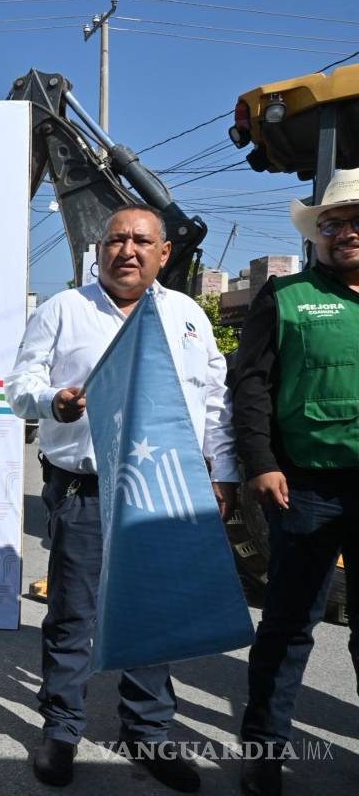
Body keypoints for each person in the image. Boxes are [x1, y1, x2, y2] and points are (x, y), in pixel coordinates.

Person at [5, 204, 238, 793]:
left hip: (161, 489)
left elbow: (214, 400)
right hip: (84, 489)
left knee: (151, 612)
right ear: (98, 250)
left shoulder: (185, 315)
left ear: (163, 254)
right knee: (72, 616)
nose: (126, 250)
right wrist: (52, 401)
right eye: (115, 240)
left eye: (141, 241)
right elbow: (20, 385)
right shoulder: (65, 309)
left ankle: (150, 732)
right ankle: (61, 729)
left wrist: (224, 473)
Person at [232, 168, 359, 796]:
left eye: (358, 222)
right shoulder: (283, 297)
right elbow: (250, 386)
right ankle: (264, 752)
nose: (346, 233)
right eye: (334, 224)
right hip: (303, 487)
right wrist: (260, 462)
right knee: (288, 624)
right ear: (319, 236)